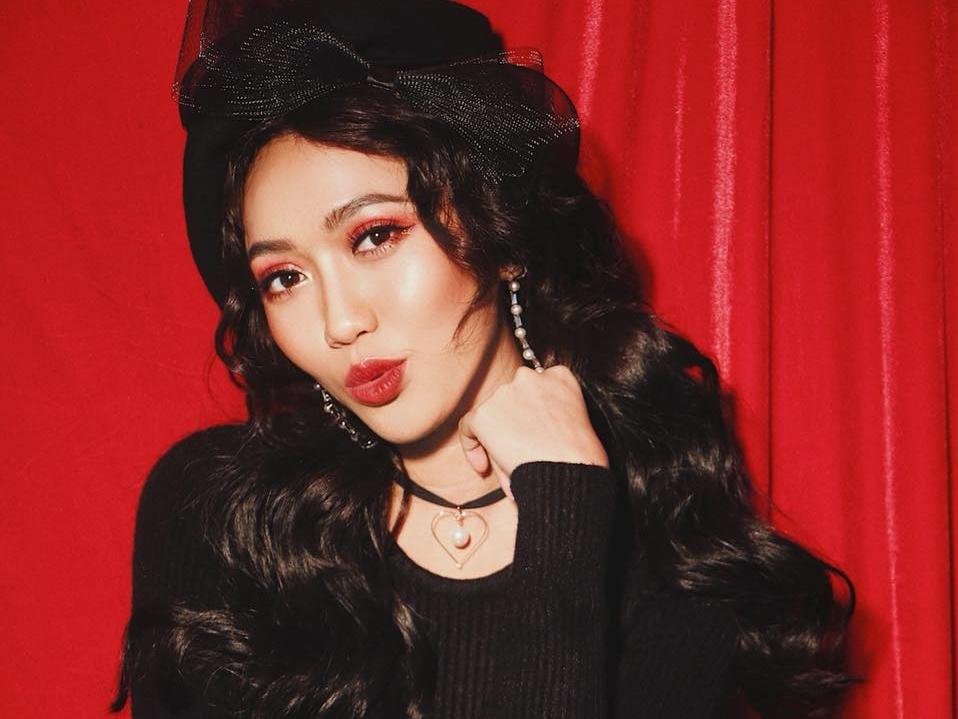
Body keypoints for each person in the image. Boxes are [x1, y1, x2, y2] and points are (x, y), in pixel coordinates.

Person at [111, 1, 861, 717]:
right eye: (284, 277)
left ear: (501, 233)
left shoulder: (672, 561)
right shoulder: (224, 518)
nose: (340, 323)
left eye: (375, 236)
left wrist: (561, 517)